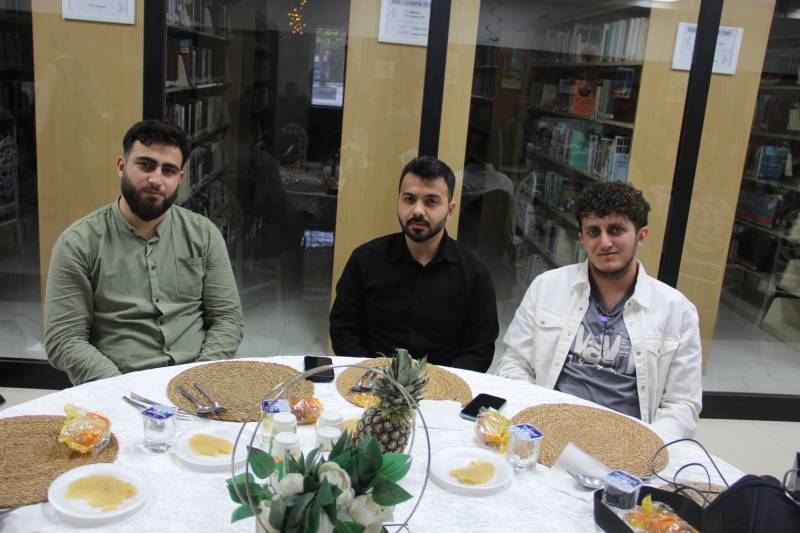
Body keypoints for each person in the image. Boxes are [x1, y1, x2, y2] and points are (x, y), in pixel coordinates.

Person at [44, 120, 244, 385]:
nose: (156, 179)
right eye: (146, 165)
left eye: (168, 170)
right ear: (121, 166)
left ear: (180, 179)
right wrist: (118, 388)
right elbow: (64, 338)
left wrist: (200, 378)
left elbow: (228, 319)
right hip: (117, 383)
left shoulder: (204, 234)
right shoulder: (78, 243)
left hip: (195, 381)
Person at [496, 182, 702, 438]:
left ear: (641, 235)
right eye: (594, 232)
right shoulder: (546, 287)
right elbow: (514, 363)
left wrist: (645, 446)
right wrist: (535, 421)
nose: (605, 242)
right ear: (582, 238)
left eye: (616, 230)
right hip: (550, 430)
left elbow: (682, 404)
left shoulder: (677, 311)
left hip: (628, 441)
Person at [329, 156, 499, 372]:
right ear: (398, 201)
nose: (418, 210)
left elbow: (479, 349)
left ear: (450, 209)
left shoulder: (474, 274)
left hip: (444, 385)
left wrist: (445, 385)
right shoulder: (364, 260)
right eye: (409, 199)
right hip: (371, 379)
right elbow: (343, 330)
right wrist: (370, 374)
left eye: (431, 201)